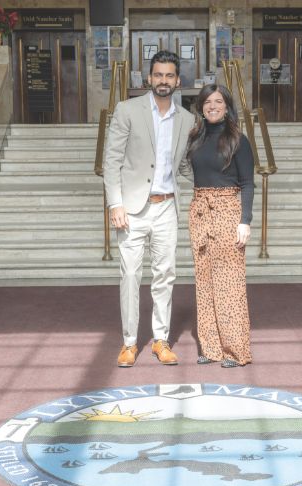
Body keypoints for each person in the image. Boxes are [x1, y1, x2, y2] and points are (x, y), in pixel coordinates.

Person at [103, 50, 194, 368]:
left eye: (170, 75)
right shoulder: (127, 110)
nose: (164, 80)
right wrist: (115, 203)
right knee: (130, 275)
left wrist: (213, 183)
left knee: (165, 276)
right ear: (149, 78)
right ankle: (129, 343)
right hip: (132, 209)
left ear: (178, 80)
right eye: (158, 75)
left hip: (167, 207)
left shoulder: (187, 119)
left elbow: (183, 164)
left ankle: (161, 340)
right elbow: (111, 160)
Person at [185, 84, 254, 368]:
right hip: (200, 211)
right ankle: (211, 348)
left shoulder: (239, 139)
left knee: (229, 283)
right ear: (201, 106)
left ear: (227, 106)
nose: (212, 106)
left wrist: (245, 221)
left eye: (218, 101)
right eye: (207, 102)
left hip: (227, 210)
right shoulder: (196, 138)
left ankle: (235, 351)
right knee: (204, 283)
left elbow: (248, 182)